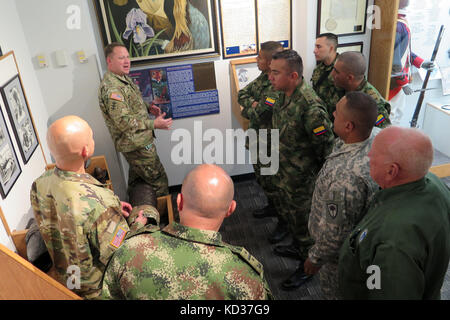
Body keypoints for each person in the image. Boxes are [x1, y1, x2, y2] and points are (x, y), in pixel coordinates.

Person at [30, 115, 158, 299]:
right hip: (97, 289)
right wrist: (139, 223)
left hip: (66, 281)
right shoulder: (98, 204)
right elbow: (122, 256)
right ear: (86, 150)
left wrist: (110, 209)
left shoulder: (40, 183)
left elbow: (65, 217)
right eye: (91, 137)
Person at [102, 164, 273, 300]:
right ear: (231, 209)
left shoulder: (129, 250)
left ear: (179, 201)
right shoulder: (245, 276)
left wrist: (138, 228)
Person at [339, 126, 450, 299]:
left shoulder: (394, 242)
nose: (368, 156)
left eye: (374, 155)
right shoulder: (434, 184)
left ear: (392, 171)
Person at [267, 49, 335, 290]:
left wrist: (316, 181)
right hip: (285, 175)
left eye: (275, 73)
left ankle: (308, 267)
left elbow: (325, 149)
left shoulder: (311, 106)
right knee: (292, 219)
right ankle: (298, 247)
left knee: (305, 226)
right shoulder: (283, 94)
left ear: (293, 75)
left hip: (303, 182)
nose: (270, 77)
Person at [304, 92, 380, 299]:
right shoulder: (377, 138)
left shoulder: (344, 178)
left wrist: (315, 258)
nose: (332, 114)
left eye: (337, 114)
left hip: (341, 260)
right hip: (368, 246)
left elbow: (335, 233)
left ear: (349, 126)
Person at [98, 42, 172, 199]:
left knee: (138, 181)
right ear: (109, 61)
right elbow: (124, 122)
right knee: (158, 181)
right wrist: (154, 124)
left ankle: (139, 215)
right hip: (136, 145)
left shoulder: (122, 78)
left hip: (139, 141)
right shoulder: (112, 88)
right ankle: (165, 217)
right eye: (121, 58)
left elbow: (131, 103)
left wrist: (148, 107)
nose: (126, 61)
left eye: (127, 57)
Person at [238, 41, 288, 242]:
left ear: (269, 61)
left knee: (276, 184)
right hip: (257, 138)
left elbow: (261, 112)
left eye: (259, 57)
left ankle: (283, 224)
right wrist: (253, 104)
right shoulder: (263, 78)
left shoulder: (278, 84)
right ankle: (272, 207)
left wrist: (250, 109)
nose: (256, 60)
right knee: (263, 180)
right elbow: (242, 93)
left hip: (271, 141)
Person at [389, 0, 435, 124]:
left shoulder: (400, 21)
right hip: (395, 83)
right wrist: (403, 82)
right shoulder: (399, 25)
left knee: (397, 114)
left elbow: (406, 51)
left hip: (399, 80)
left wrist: (421, 62)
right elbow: (394, 58)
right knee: (391, 116)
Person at [330, 51, 391, 128]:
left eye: (336, 72)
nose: (332, 74)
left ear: (349, 78)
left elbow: (384, 134)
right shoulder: (341, 86)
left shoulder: (372, 103)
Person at [311, 33, 345, 121]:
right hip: (321, 118)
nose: (314, 51)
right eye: (315, 46)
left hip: (337, 120)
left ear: (331, 48)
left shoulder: (344, 69)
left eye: (318, 47)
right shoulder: (319, 69)